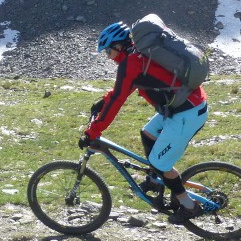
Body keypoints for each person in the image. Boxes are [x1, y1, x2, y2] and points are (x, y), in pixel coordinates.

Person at [78, 21, 209, 224]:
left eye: (108, 52)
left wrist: (93, 131)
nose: (108, 57)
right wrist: (101, 102)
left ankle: (189, 206)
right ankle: (157, 180)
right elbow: (120, 92)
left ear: (118, 46)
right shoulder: (139, 55)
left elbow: (117, 101)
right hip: (186, 105)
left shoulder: (130, 63)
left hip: (187, 113)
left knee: (160, 161)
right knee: (148, 133)